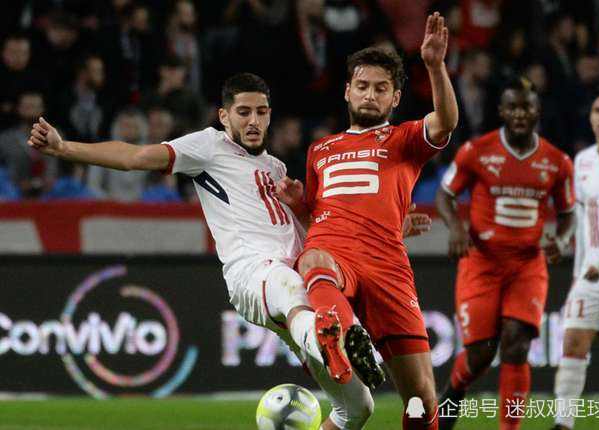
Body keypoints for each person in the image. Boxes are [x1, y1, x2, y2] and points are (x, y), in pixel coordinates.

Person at [27, 72, 429, 430]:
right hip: (255, 274)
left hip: (298, 288)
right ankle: (335, 339)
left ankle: (328, 340)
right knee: (291, 288)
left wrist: (389, 228)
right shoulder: (208, 147)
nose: (253, 121)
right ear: (224, 116)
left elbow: (319, 232)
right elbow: (136, 157)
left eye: (261, 112)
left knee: (356, 409)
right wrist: (65, 149)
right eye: (243, 112)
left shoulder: (276, 169)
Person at [277, 12, 457, 430]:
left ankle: (339, 336)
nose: (370, 95)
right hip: (334, 252)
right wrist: (301, 205)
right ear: (347, 91)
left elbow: (446, 122)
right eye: (362, 86)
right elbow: (320, 215)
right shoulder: (320, 149)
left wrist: (434, 65)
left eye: (381, 88)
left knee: (422, 401)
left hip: (387, 265)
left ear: (395, 98)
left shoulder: (404, 139)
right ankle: (336, 337)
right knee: (313, 257)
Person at [436, 77, 575, 430]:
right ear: (501, 111)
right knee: (481, 353)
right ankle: (454, 388)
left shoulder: (557, 162)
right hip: (481, 261)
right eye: (512, 107)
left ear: (537, 111)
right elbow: (445, 194)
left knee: (516, 344)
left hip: (527, 265)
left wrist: (561, 240)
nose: (519, 114)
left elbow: (568, 213)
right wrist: (456, 228)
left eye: (526, 107)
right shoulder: (476, 151)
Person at [552, 86, 599, 430]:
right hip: (590, 275)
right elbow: (580, 219)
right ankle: (563, 424)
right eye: (598, 111)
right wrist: (576, 267)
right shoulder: (583, 161)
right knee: (573, 342)